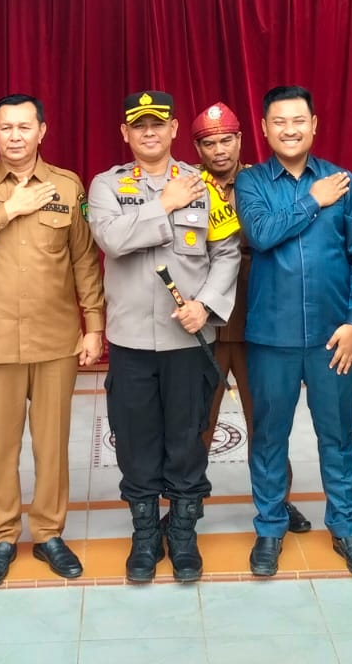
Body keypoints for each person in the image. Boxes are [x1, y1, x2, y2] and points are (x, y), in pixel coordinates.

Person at [0, 93, 105, 587]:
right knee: (0, 444)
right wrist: (8, 210)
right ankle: (4, 535)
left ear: (41, 132)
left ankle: (50, 532)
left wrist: (94, 324)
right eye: (6, 127)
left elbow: (83, 259)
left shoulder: (66, 186)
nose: (15, 136)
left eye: (24, 127)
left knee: (52, 444)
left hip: (56, 337)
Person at [87, 91, 241, 583]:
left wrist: (207, 305)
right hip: (131, 340)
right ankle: (145, 533)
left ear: (174, 129)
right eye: (140, 125)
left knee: (187, 437)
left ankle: (183, 531)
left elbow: (227, 252)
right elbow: (111, 239)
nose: (149, 132)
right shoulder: (106, 185)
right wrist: (164, 204)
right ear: (126, 133)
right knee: (136, 439)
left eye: (158, 124)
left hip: (187, 340)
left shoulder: (203, 184)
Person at [234, 85, 352, 579]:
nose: (290, 130)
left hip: (332, 338)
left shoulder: (344, 182)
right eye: (279, 121)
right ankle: (270, 526)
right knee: (269, 437)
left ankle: (345, 525)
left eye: (299, 120)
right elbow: (260, 234)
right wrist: (312, 202)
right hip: (271, 336)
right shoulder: (252, 182)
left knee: (336, 435)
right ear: (264, 129)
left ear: (314, 125)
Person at [193, 102, 311, 534]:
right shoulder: (188, 185)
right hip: (203, 323)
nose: (219, 150)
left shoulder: (262, 181)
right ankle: (186, 504)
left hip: (257, 318)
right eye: (210, 143)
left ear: (241, 140)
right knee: (196, 422)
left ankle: (278, 501)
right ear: (198, 148)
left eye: (227, 140)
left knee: (265, 421)